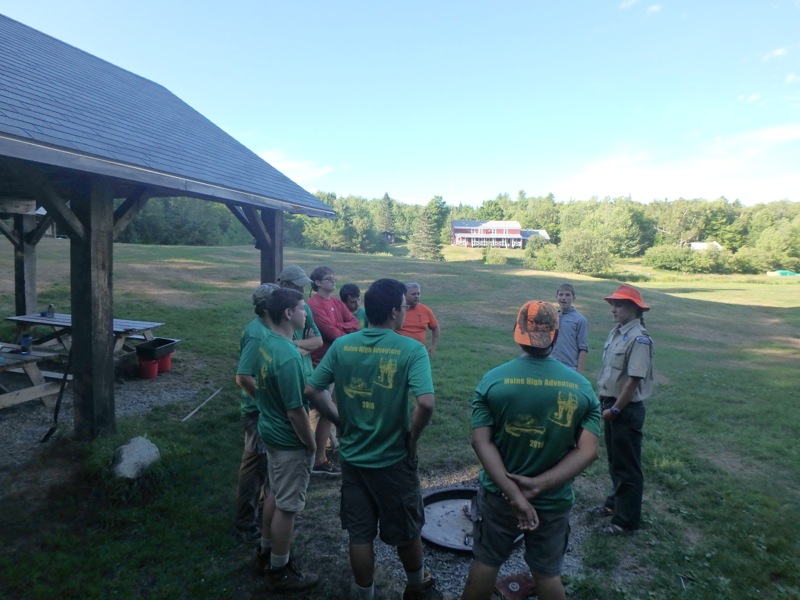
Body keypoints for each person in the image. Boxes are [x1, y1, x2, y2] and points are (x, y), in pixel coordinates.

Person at [305, 278, 446, 600]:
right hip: (393, 459)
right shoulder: (411, 349)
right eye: (405, 307)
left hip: (353, 459)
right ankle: (417, 586)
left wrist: (341, 421)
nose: (407, 311)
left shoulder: (342, 345)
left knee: (360, 533)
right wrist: (412, 438)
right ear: (394, 311)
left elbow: (312, 389)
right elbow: (426, 403)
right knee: (407, 530)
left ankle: (363, 594)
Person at [461, 301, 601, 600]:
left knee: (486, 562)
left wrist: (513, 494)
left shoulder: (493, 380)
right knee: (547, 574)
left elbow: (480, 441)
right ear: (556, 334)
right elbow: (588, 451)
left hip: (499, 495)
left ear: (517, 330)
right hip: (552, 500)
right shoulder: (581, 387)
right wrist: (538, 485)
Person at [255, 287, 319, 591]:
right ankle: (279, 570)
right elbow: (296, 411)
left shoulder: (267, 342)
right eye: (302, 308)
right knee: (287, 506)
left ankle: (266, 550)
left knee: (274, 493)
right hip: (288, 441)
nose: (306, 313)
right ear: (288, 313)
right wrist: (311, 444)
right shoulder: (289, 356)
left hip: (269, 430)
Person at [593, 284, 655, 536]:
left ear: (633, 308)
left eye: (618, 305)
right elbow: (610, 372)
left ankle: (626, 521)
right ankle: (614, 505)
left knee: (627, 467)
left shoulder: (639, 338)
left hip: (625, 410)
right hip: (611, 405)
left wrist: (616, 410)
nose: (613, 309)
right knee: (615, 461)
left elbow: (633, 381)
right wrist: (603, 401)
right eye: (613, 305)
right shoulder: (617, 333)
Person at [233, 283, 278, 544]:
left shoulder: (268, 329)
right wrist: (266, 402)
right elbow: (243, 376)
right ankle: (245, 524)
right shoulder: (256, 334)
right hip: (256, 412)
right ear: (268, 306)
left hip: (264, 410)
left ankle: (263, 511)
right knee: (254, 466)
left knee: (264, 465)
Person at [307, 266, 360, 475]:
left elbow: (355, 323)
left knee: (331, 408)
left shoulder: (337, 302)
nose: (333, 280)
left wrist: (338, 325)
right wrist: (340, 328)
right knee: (323, 409)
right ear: (317, 283)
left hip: (339, 360)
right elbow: (332, 334)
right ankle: (317, 457)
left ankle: (322, 453)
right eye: (328, 278)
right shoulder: (314, 304)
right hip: (321, 362)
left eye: (333, 277)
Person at [550, 283, 589, 373]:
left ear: (573, 298)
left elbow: (583, 348)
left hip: (569, 367)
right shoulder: (552, 316)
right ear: (556, 297)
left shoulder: (580, 320)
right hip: (551, 365)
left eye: (567, 295)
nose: (563, 298)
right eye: (561, 294)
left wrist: (578, 373)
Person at [397, 282, 440, 357]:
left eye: (418, 294)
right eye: (413, 294)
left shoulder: (425, 310)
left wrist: (433, 346)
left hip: (419, 352)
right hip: (399, 351)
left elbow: (435, 327)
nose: (416, 296)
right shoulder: (397, 310)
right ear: (404, 295)